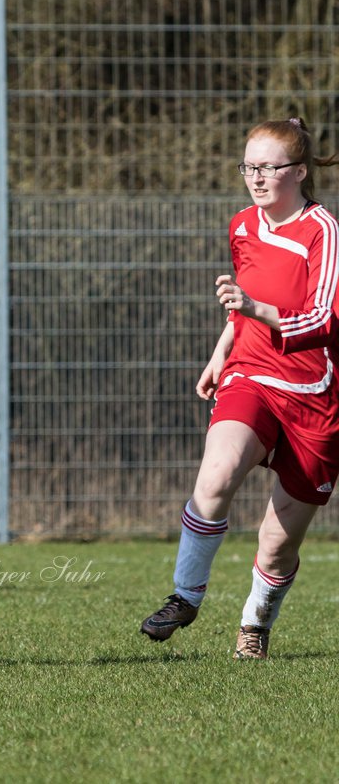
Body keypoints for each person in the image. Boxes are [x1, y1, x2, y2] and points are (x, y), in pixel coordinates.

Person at [140, 118, 339, 659]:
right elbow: (242, 304)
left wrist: (256, 309)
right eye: (248, 166)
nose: (255, 177)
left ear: (298, 172)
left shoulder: (322, 229)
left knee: (276, 547)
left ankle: (255, 623)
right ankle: (185, 595)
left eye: (267, 168)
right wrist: (221, 351)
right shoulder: (242, 226)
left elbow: (326, 319)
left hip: (313, 394)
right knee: (217, 475)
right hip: (250, 375)